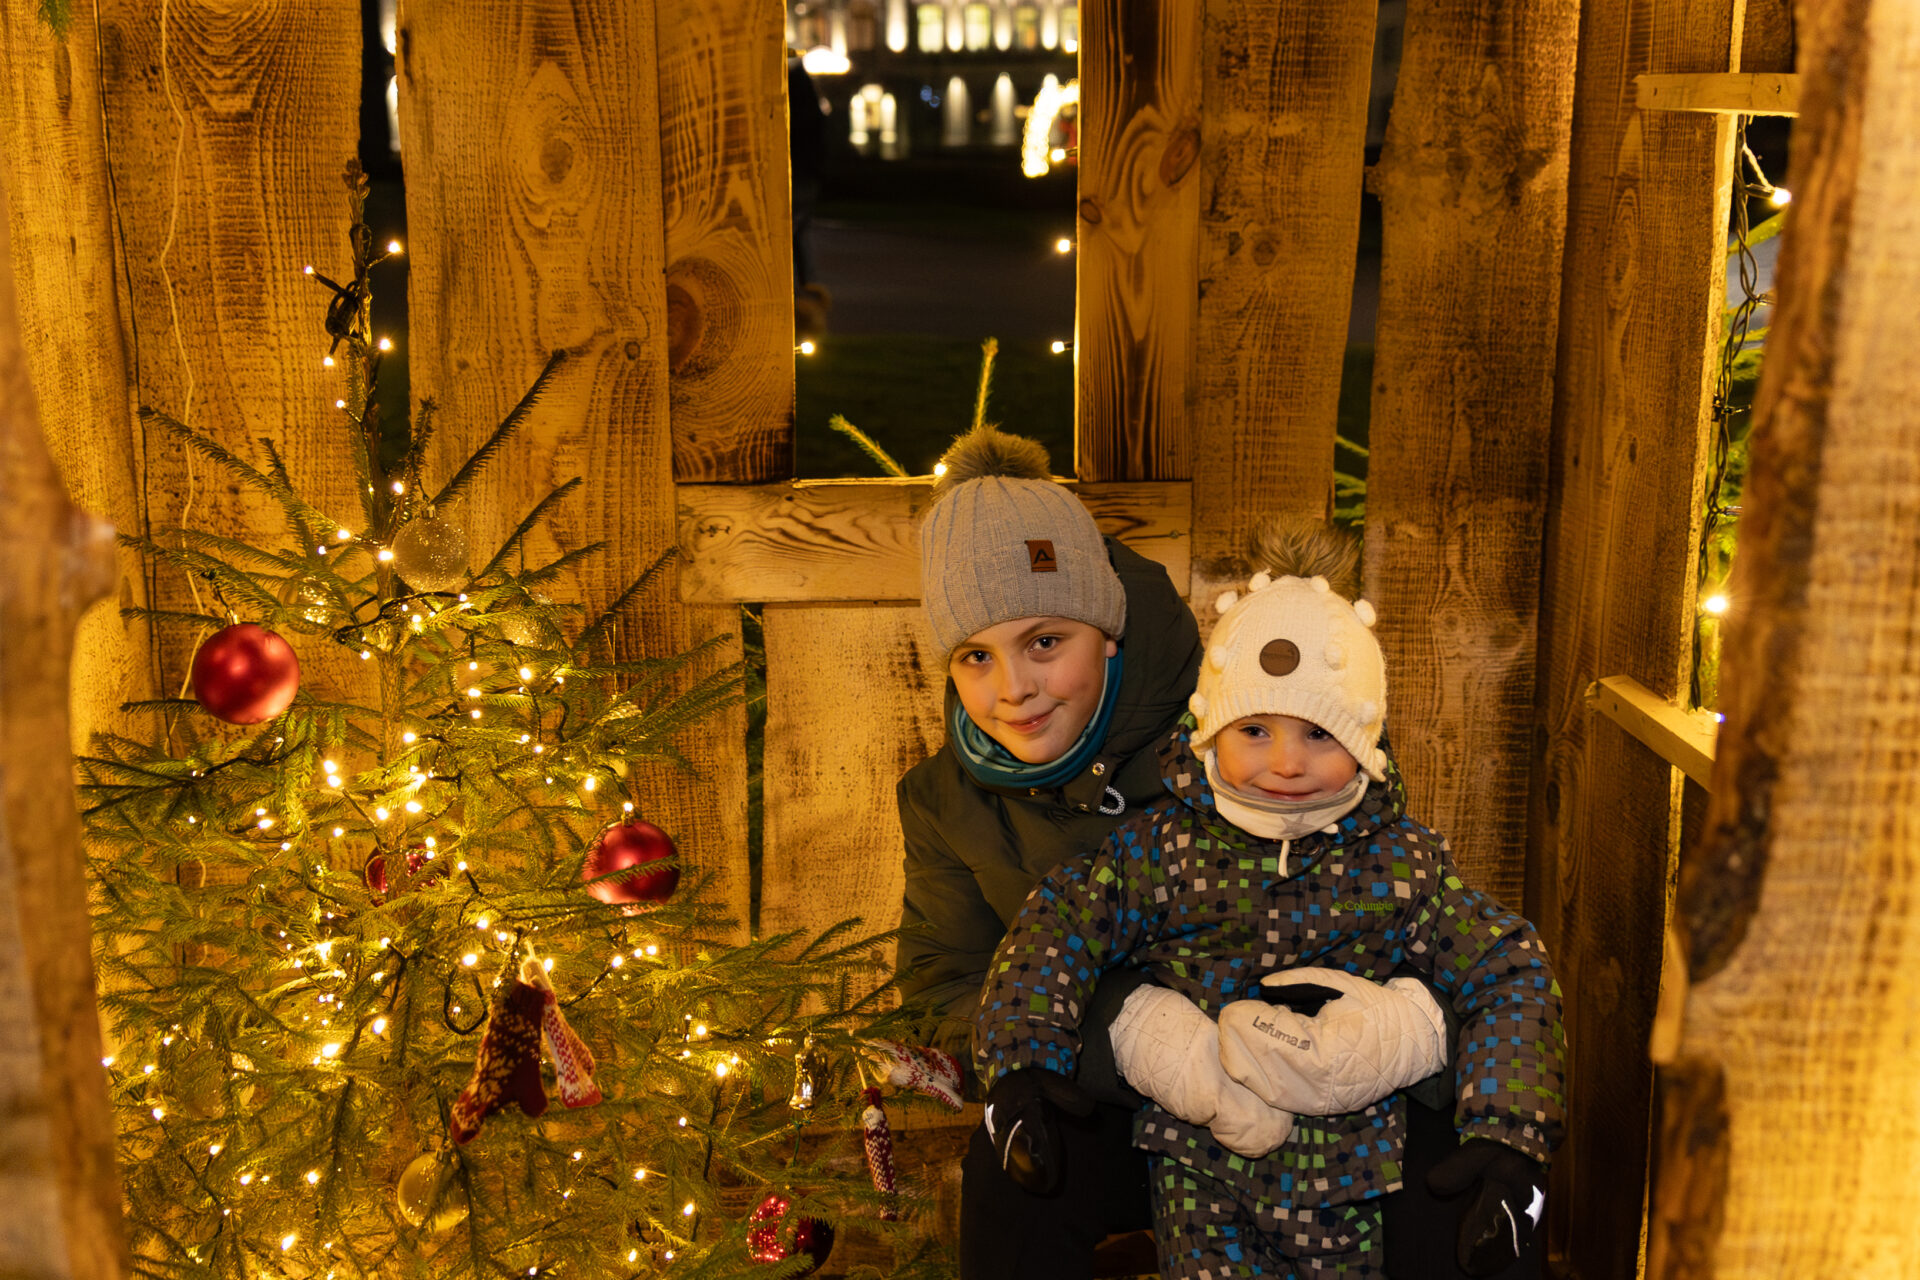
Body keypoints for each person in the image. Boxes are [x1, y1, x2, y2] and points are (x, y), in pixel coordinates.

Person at [887, 428, 1454, 1280]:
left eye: (1045, 642)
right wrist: (1129, 1035)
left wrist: (1386, 1034)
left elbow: (1393, 868)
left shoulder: (1239, 715)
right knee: (1014, 1176)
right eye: (976, 656)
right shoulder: (944, 800)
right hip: (1125, 1102)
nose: (1013, 689)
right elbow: (943, 986)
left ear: (1107, 631)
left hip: (1327, 1080)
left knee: (1452, 1163)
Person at [972, 518, 1566, 1279]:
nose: (1285, 762)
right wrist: (1025, 1060)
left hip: (1352, 1161)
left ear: (1366, 744)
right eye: (1253, 729)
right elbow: (1058, 926)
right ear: (1209, 733)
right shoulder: (1160, 851)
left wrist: (1509, 1134)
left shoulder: (1400, 862)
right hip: (1197, 1164)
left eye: (1319, 733)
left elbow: (1506, 966)